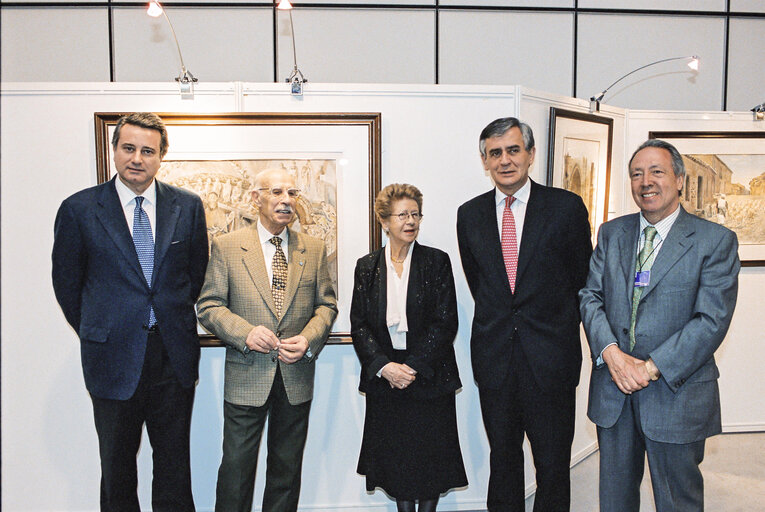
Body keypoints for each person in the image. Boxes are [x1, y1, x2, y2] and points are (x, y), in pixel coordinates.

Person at [51, 112, 209, 511]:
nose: (137, 158)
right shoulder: (80, 209)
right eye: (129, 148)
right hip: (112, 357)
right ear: (114, 150)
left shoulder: (187, 207)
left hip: (172, 357)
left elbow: (196, 274)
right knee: (117, 469)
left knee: (174, 467)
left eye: (148, 151)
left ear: (161, 157)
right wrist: (100, 328)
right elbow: (68, 285)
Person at [579, 139, 740, 511]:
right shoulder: (611, 233)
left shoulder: (714, 241)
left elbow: (711, 320)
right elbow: (590, 297)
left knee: (677, 500)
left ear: (679, 180)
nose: (645, 181)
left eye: (656, 171)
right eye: (637, 174)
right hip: (614, 391)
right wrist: (612, 355)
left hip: (675, 392)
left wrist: (650, 368)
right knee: (615, 501)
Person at [456, 117, 592, 511]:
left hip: (551, 361)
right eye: (494, 153)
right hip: (496, 360)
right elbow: (481, 284)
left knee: (552, 467)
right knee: (503, 463)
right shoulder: (470, 215)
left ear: (531, 155)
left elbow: (581, 282)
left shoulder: (565, 208)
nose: (505, 160)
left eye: (513, 150)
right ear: (484, 161)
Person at [196, 168, 337, 512]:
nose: (286, 200)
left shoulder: (314, 249)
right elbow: (209, 305)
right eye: (276, 192)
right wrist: (246, 333)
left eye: (292, 193)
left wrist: (308, 339)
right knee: (236, 472)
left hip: (295, 376)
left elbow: (327, 305)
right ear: (256, 199)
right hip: (247, 376)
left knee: (286, 473)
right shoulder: (227, 247)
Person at [351, 184, 468, 512]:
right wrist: (385, 367)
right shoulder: (367, 266)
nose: (411, 221)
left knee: (431, 462)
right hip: (387, 377)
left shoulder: (436, 261)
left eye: (415, 214)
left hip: (429, 374)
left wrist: (413, 367)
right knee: (396, 463)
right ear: (384, 221)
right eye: (403, 214)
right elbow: (359, 324)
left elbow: (446, 323)